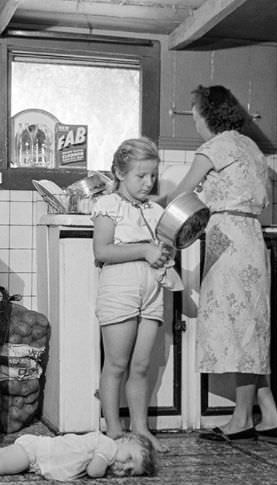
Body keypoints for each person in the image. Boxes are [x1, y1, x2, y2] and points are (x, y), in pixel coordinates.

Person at [165, 84, 277, 445]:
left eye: (196, 113)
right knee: (249, 325)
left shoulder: (215, 147)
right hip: (250, 235)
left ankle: (241, 419)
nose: (195, 122)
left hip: (227, 238)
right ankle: (270, 415)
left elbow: (181, 193)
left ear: (207, 114)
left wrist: (140, 201)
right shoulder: (249, 146)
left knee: (238, 330)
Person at [92, 137, 183, 454]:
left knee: (141, 366)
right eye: (140, 176)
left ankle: (141, 429)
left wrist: (164, 252)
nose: (148, 183)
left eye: (153, 176)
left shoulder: (156, 211)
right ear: (119, 172)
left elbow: (162, 246)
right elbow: (102, 250)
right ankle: (115, 431)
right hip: (119, 290)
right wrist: (145, 249)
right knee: (116, 364)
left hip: (152, 291)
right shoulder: (107, 206)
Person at [0, 432, 156, 481]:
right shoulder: (107, 446)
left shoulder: (106, 447)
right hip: (36, 453)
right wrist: (105, 471)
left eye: (129, 471)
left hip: (36, 447)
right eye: (129, 458)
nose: (123, 466)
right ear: (124, 440)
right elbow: (94, 471)